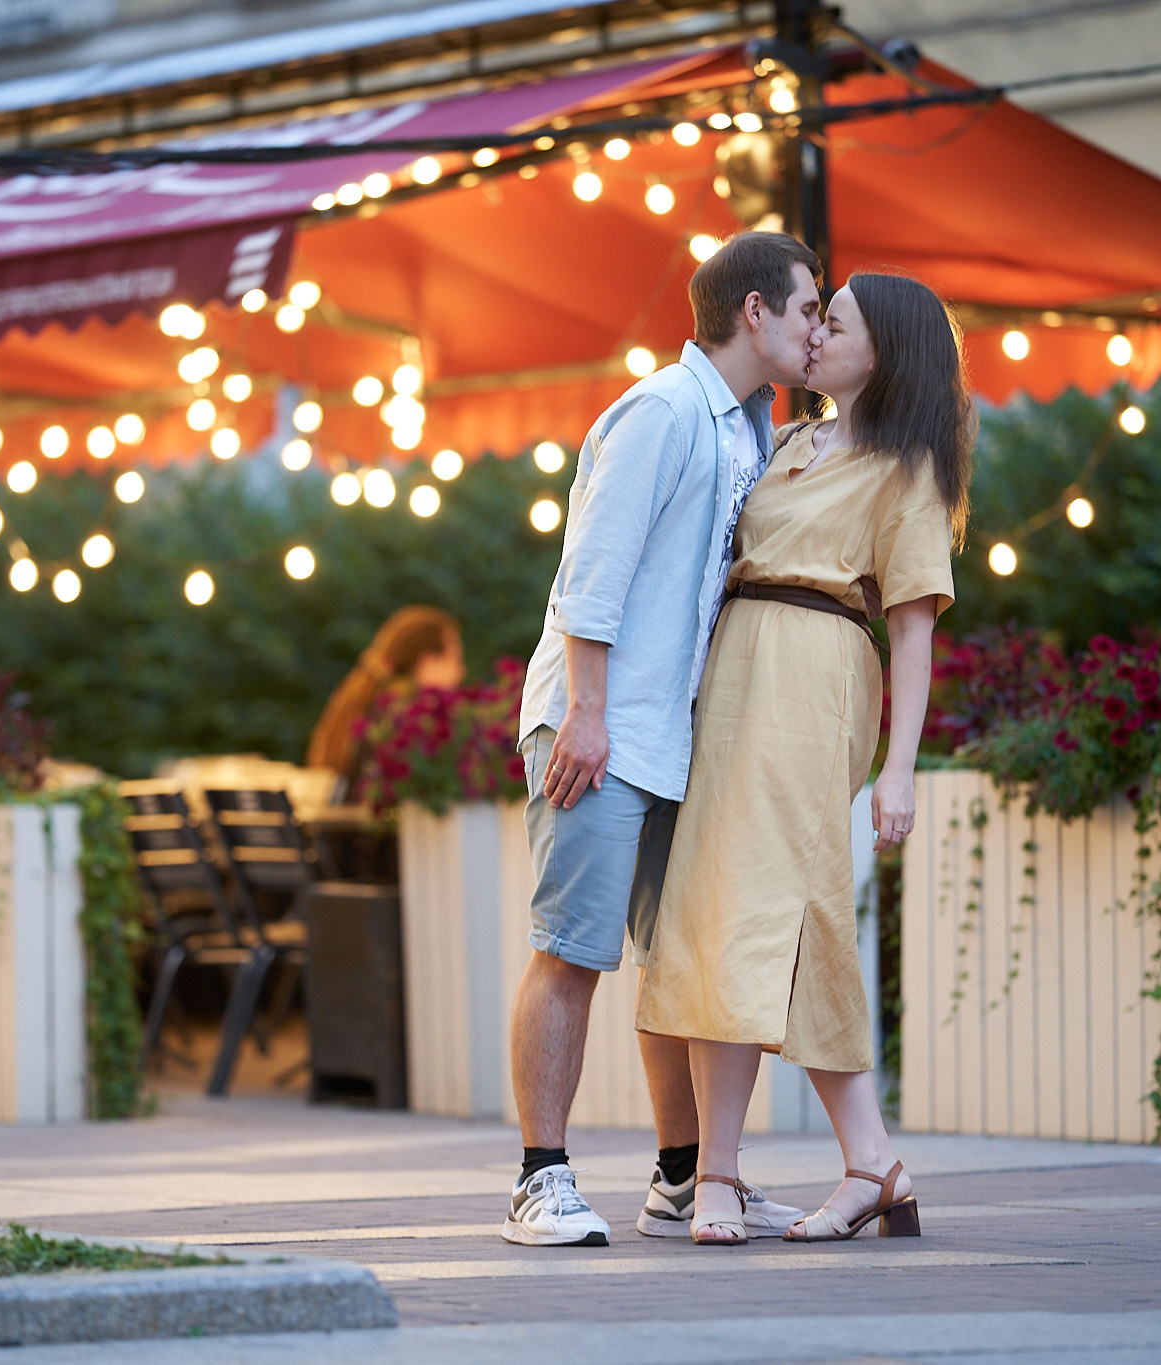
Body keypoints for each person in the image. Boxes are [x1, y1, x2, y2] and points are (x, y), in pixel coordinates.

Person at [635, 270, 972, 1244]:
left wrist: (899, 771)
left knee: (763, 908)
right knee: (714, 907)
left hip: (816, 676)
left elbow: (911, 632)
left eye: (836, 323)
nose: (814, 335)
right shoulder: (779, 442)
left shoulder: (905, 469)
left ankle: (726, 1178)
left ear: (886, 348)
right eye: (813, 317)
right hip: (734, 674)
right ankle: (848, 1165)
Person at [504, 231, 824, 1247]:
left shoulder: (746, 428)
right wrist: (588, 714)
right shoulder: (661, 411)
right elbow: (590, 575)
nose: (816, 329)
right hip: (599, 728)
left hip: (668, 739)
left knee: (672, 960)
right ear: (754, 313)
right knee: (571, 954)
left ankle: (683, 1179)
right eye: (808, 309)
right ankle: (537, 1181)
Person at [307, 607, 465, 793]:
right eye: (455, 659)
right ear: (426, 662)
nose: (461, 673)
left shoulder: (365, 704)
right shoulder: (400, 723)